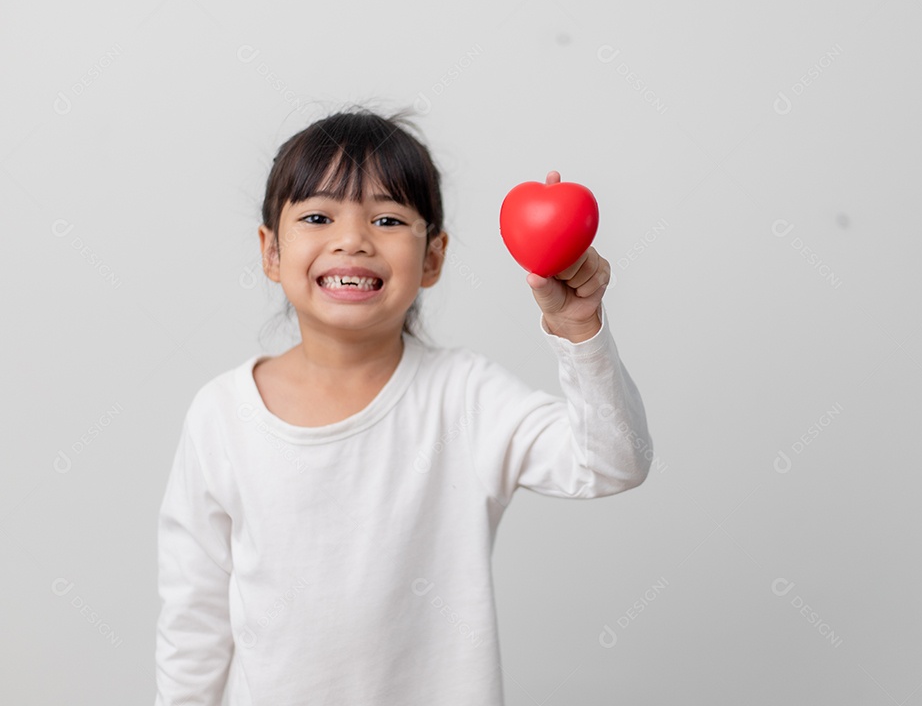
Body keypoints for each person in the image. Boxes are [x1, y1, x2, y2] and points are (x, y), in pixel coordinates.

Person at [154, 104, 654, 705]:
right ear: (271, 252)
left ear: (434, 257)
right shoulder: (221, 415)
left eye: (388, 220)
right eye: (317, 216)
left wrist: (580, 331)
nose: (352, 241)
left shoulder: (465, 398)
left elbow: (614, 461)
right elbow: (193, 622)